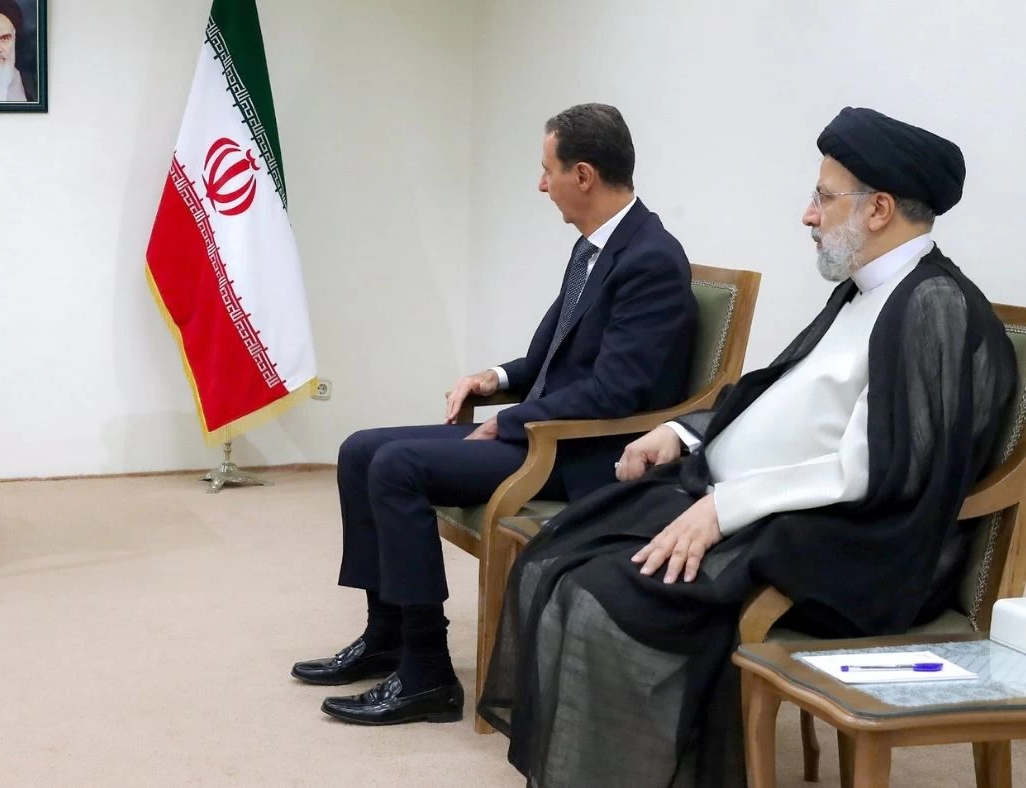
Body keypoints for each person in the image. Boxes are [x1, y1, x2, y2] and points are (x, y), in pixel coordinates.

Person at [480, 107, 1017, 787]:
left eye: (823, 197)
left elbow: (880, 468)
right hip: (756, 503)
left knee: (604, 599)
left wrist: (725, 508)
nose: (808, 215)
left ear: (879, 209)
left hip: (849, 547)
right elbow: (780, 393)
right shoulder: (870, 290)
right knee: (560, 551)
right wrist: (683, 432)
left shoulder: (933, 306)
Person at [294, 103, 699, 726]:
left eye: (548, 170)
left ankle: (427, 674)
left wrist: (510, 421)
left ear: (583, 175)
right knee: (360, 449)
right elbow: (551, 356)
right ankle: (387, 636)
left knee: (398, 466)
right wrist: (496, 379)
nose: (541, 184)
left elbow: (617, 393)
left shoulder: (650, 259)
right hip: (546, 430)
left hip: (583, 452)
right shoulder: (595, 247)